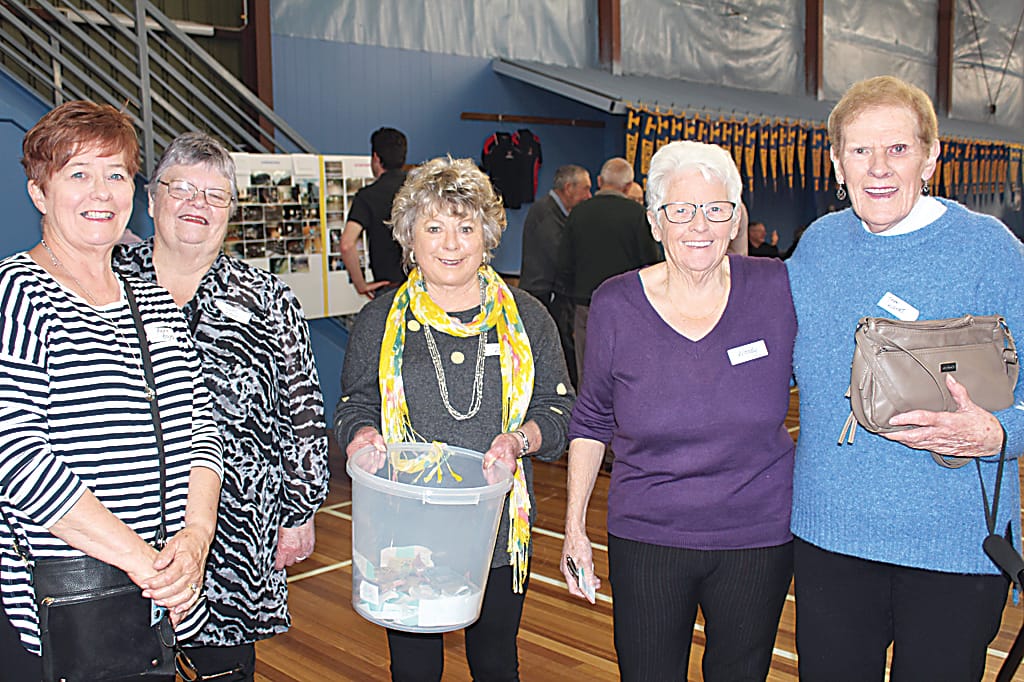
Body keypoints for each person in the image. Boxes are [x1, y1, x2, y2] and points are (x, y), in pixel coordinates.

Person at [786, 75, 1024, 681]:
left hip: (953, 546)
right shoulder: (818, 247)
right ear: (836, 162)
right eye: (860, 150)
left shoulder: (989, 250)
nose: (878, 169)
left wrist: (999, 434)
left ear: (931, 156)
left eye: (897, 148)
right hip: (831, 539)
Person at [0, 100, 223, 680]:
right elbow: (16, 458)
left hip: (157, 606)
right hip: (66, 613)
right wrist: (146, 564)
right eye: (78, 174)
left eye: (116, 174)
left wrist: (195, 540)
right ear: (39, 193)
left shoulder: (151, 299)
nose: (101, 192)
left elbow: (202, 428)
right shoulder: (18, 294)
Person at [561, 140, 796, 681]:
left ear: (735, 219)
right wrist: (574, 527)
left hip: (756, 537)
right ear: (654, 221)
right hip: (648, 534)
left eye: (715, 209)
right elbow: (592, 419)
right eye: (682, 210)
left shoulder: (776, 288)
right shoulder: (616, 303)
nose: (699, 225)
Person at [335, 156, 574, 681]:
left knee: (495, 663)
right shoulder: (380, 319)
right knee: (415, 669)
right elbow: (355, 404)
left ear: (486, 238)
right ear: (409, 238)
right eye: (434, 227)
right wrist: (362, 434)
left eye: (465, 228)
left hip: (497, 529)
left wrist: (520, 440)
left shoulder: (528, 318)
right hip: (405, 528)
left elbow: (559, 410)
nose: (450, 243)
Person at [113, 132, 330, 681]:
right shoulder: (107, 283)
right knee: (124, 661)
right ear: (152, 200)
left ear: (230, 212)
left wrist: (299, 512)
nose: (197, 205)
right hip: (125, 524)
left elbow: (303, 411)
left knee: (223, 669)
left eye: (214, 196)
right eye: (182, 189)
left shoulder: (267, 298)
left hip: (236, 530)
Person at [559, 157, 662, 385]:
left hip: (586, 304)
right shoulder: (637, 215)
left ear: (599, 181)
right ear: (628, 186)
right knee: (624, 368)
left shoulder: (578, 213)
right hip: (628, 306)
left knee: (587, 370)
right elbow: (651, 262)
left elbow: (564, 262)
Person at [519, 164, 592, 387]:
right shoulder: (545, 213)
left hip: (551, 293)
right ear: (568, 188)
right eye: (585, 189)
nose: (589, 196)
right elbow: (559, 256)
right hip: (544, 293)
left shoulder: (555, 212)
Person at [340, 127, 408, 299]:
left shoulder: (367, 196)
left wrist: (360, 284)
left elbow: (347, 244)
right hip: (425, 288)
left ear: (376, 158)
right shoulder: (421, 191)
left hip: (389, 290)